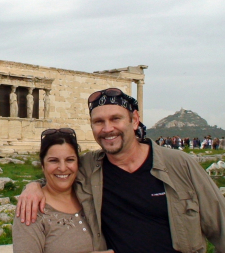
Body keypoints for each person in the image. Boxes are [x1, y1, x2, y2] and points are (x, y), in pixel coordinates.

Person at [16, 88, 225, 253]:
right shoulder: (89, 167)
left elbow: (220, 225)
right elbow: (60, 171)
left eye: (115, 119)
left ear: (134, 120)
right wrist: (34, 186)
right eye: (99, 122)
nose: (107, 129)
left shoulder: (179, 164)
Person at [12, 128, 112, 253]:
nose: (63, 168)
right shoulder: (31, 209)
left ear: (78, 163)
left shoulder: (89, 192)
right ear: (43, 165)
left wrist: (33, 185)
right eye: (53, 161)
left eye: (70, 160)